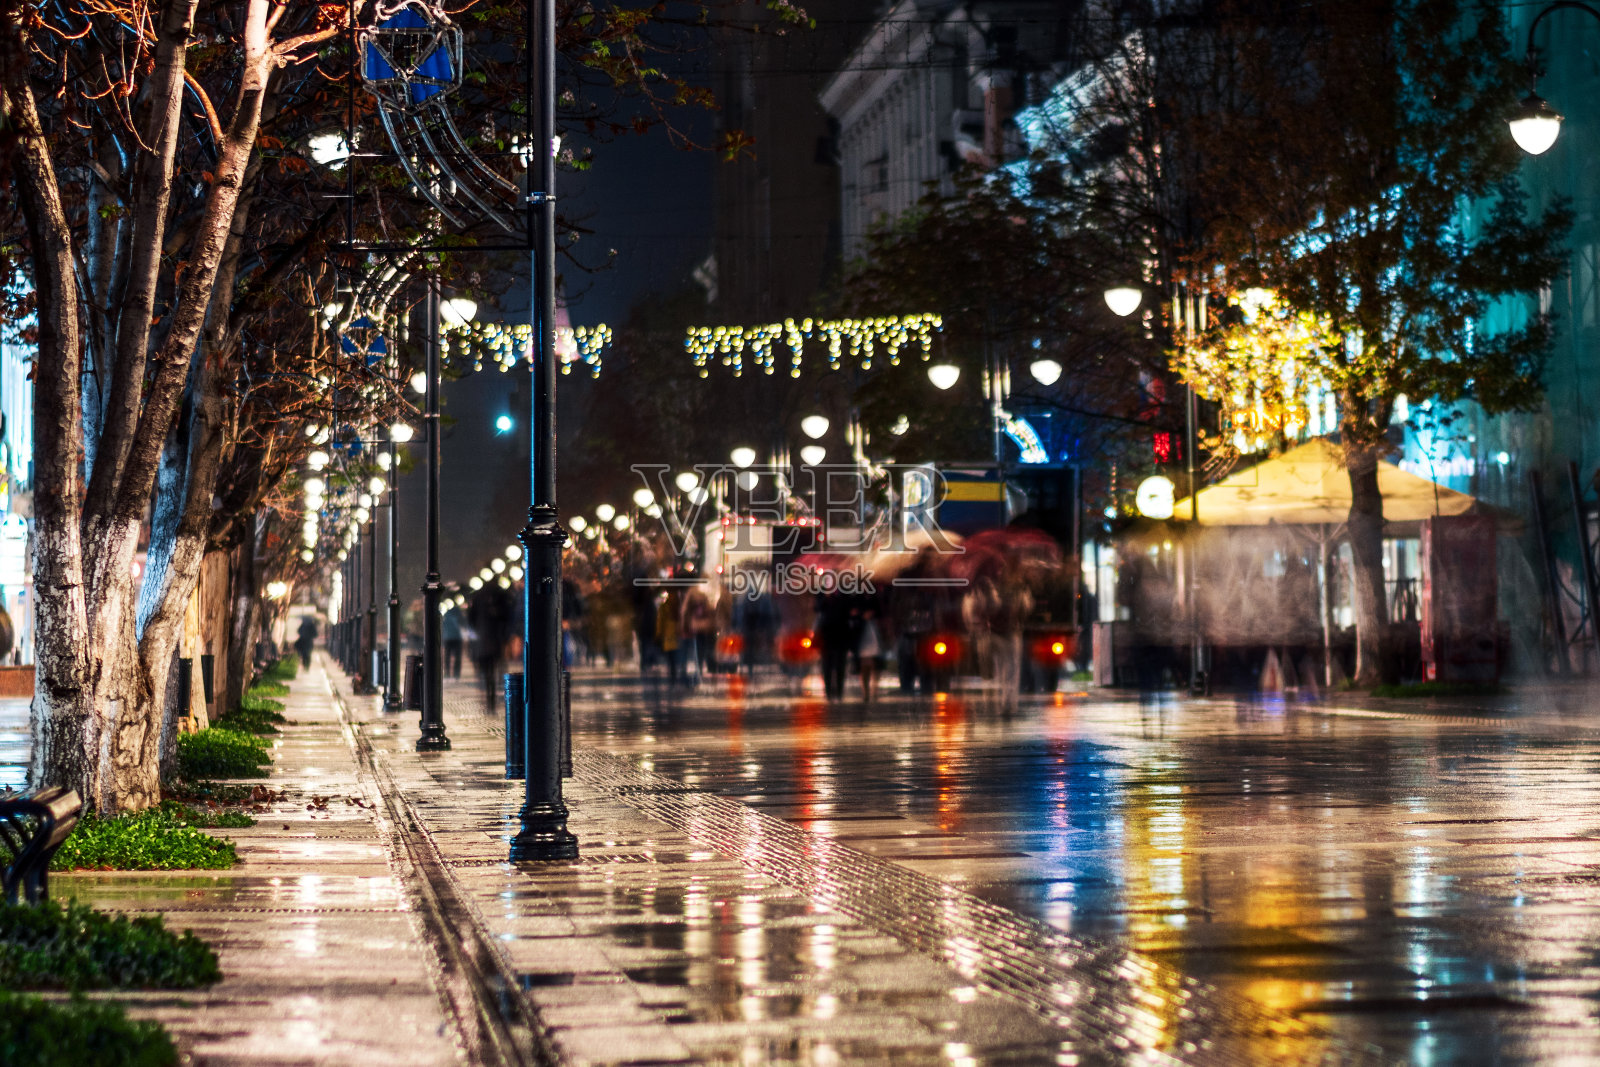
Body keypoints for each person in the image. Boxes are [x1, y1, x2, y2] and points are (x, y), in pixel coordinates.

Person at [468, 584, 514, 712]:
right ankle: (493, 696)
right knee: (496, 668)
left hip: (483, 639)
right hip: (496, 638)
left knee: (487, 671)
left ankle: (490, 697)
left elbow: (471, 618)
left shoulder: (477, 596)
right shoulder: (500, 595)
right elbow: (508, 616)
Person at [815, 591, 855, 702]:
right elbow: (817, 608)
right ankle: (828, 692)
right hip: (827, 637)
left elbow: (848, 611)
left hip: (841, 636)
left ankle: (839, 692)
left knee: (840, 665)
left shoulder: (844, 595)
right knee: (827, 666)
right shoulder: (821, 594)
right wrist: (826, 597)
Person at [655, 590, 682, 686]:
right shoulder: (677, 606)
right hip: (673, 637)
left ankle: (674, 677)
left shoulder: (666, 607)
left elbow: (660, 621)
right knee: (673, 660)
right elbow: (660, 621)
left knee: (672, 660)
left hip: (672, 637)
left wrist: (658, 634)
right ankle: (674, 677)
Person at [441, 603, 464, 679]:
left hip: (447, 638)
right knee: (457, 657)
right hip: (457, 638)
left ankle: (447, 673)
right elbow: (463, 625)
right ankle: (456, 674)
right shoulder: (459, 614)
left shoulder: (446, 615)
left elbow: (443, 626)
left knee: (447, 656)